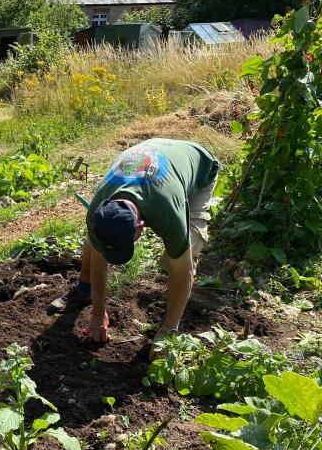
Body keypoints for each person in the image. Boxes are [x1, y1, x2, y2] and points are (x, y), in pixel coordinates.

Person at [48, 139, 220, 356]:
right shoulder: (98, 210)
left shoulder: (167, 211)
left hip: (198, 167)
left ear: (141, 227)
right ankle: (83, 290)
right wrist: (98, 311)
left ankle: (169, 327)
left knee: (183, 254)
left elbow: (183, 270)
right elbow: (99, 253)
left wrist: (167, 332)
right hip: (150, 154)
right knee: (93, 241)